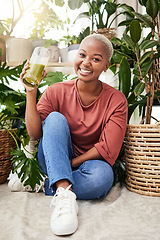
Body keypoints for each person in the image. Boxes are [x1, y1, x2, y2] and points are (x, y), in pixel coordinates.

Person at [20, 34, 128, 236]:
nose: (86, 63)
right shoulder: (55, 91)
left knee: (103, 177)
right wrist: (31, 92)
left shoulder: (116, 101)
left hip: (87, 164)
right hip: (52, 156)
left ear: (106, 66)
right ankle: (64, 195)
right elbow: (35, 134)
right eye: (82, 55)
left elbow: (108, 149)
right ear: (75, 57)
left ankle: (48, 184)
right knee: (54, 119)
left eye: (96, 59)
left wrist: (67, 164)